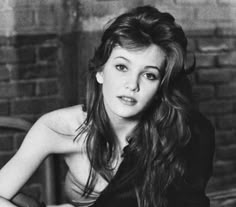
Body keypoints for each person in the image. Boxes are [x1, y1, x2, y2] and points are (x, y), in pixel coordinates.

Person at [0, 5, 215, 207]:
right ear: (100, 72)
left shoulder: (182, 133)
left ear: (160, 87)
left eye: (149, 75)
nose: (132, 84)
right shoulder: (57, 127)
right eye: (122, 67)